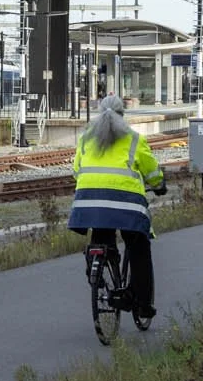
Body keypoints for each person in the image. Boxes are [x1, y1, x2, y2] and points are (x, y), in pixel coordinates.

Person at [69, 94, 167, 329]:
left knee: (101, 236)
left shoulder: (85, 139)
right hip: (127, 205)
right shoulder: (134, 139)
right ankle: (143, 304)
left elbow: (76, 171)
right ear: (123, 115)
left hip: (88, 204)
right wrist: (159, 185)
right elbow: (152, 173)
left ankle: (98, 267)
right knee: (138, 247)